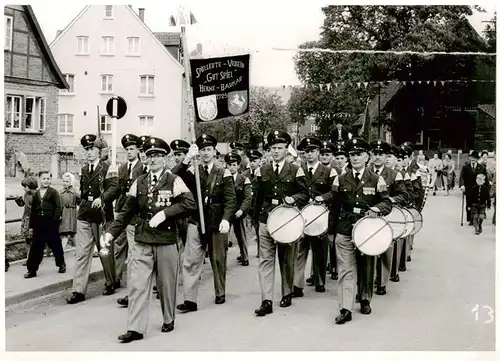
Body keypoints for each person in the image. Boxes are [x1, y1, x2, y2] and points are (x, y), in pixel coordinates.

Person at [104, 136, 196, 342]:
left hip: (166, 238)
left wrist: (165, 213)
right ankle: (135, 328)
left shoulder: (174, 180)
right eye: (150, 156)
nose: (153, 160)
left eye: (158, 156)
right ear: (145, 158)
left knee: (166, 283)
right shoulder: (140, 182)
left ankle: (168, 318)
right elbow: (126, 211)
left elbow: (189, 204)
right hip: (142, 238)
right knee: (137, 284)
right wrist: (111, 232)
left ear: (165, 158)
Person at [329, 137, 392, 324]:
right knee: (346, 270)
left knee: (366, 266)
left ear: (367, 156)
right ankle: (345, 307)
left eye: (359, 154)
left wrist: (377, 209)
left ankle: (365, 298)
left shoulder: (375, 179)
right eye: (352, 154)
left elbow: (386, 202)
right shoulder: (340, 179)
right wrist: (331, 232)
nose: (355, 158)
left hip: (367, 229)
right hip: (345, 228)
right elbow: (334, 207)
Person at [175, 134, 236, 312]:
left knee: (218, 259)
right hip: (196, 220)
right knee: (191, 260)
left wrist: (226, 219)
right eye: (202, 150)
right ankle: (190, 300)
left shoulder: (222, 172)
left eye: (208, 149)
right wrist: (186, 159)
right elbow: (173, 176)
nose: (206, 153)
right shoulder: (194, 169)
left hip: (216, 222)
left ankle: (220, 292)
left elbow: (230, 200)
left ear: (214, 151)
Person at [252, 130, 309, 317]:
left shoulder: (295, 170)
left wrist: (293, 199)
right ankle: (266, 300)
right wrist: (256, 222)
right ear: (269, 150)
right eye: (273, 148)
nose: (276, 151)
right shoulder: (262, 170)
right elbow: (257, 199)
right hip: (266, 220)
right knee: (266, 261)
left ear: (286, 150)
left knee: (286, 260)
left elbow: (304, 194)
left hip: (287, 221)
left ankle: (286, 293)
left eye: (280, 148)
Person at [67, 134, 119, 304]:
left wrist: (102, 198)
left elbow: (114, 188)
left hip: (102, 216)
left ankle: (111, 282)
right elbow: (83, 191)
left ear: (99, 151)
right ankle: (78, 290)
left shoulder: (108, 167)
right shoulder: (83, 170)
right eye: (87, 149)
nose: (89, 152)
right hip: (85, 215)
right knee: (82, 253)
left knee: (104, 252)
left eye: (92, 149)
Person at [292, 137, 337, 297]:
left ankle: (320, 281)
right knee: (299, 249)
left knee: (320, 249)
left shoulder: (329, 171)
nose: (309, 154)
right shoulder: (298, 169)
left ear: (318, 152)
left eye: (312, 151)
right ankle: (297, 284)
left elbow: (334, 192)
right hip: (301, 213)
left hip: (320, 215)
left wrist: (322, 198)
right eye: (306, 152)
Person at [370, 141, 408, 296]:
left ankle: (382, 282)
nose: (378, 157)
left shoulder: (394, 175)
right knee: (368, 248)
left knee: (386, 248)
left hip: (387, 215)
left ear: (386, 156)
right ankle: (367, 281)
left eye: (381, 154)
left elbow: (403, 195)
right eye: (375, 154)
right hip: (369, 215)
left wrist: (390, 200)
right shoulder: (365, 172)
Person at [115, 134, 144, 308]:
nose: (129, 152)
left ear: (138, 150)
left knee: (134, 253)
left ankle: (133, 290)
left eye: (132, 149)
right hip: (123, 211)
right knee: (118, 246)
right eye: (127, 149)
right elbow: (119, 190)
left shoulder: (143, 168)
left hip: (135, 215)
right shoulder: (123, 168)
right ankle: (116, 278)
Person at [25, 171, 66, 278]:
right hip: (39, 224)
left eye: (48, 178)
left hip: (50, 223)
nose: (46, 181)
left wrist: (55, 221)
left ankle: (61, 264)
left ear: (50, 180)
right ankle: (32, 269)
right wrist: (31, 226)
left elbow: (58, 207)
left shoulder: (54, 192)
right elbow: (33, 210)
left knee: (55, 244)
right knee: (36, 246)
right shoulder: (36, 193)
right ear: (39, 179)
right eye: (44, 179)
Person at [225, 152, 252, 266]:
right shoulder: (223, 178)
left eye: (234, 164)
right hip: (226, 213)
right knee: (224, 238)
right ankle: (223, 260)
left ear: (238, 166)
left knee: (241, 236)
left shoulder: (244, 179)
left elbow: (248, 198)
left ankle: (244, 257)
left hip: (239, 212)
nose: (231, 167)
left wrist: (241, 210)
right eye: (229, 164)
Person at [459, 150, 489, 226]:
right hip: (468, 189)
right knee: (469, 204)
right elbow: (462, 177)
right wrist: (462, 185)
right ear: (470, 158)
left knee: (477, 204)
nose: (473, 159)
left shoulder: (482, 168)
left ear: (477, 159)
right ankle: (470, 219)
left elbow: (486, 179)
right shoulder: (465, 167)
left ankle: (476, 218)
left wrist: (486, 188)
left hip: (478, 189)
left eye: (474, 158)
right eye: (471, 158)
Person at [242, 149, 263, 257]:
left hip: (258, 208)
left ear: (260, 161)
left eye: (255, 160)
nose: (252, 163)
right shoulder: (244, 174)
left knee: (259, 231)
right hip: (247, 208)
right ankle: (244, 254)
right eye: (251, 160)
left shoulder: (263, 173)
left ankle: (260, 252)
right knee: (245, 232)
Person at [15, 176, 38, 265]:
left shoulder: (37, 195)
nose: (24, 188)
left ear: (29, 186)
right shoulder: (26, 194)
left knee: (34, 240)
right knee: (27, 240)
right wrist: (19, 200)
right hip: (27, 219)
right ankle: (29, 258)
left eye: (25, 186)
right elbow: (23, 205)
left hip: (34, 220)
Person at [59, 172, 79, 250]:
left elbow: (80, 202)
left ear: (71, 182)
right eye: (63, 181)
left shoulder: (75, 192)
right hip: (64, 214)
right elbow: (58, 205)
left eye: (67, 181)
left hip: (72, 214)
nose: (65, 183)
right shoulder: (60, 192)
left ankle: (79, 250)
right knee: (65, 233)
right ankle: (61, 251)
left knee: (74, 233)